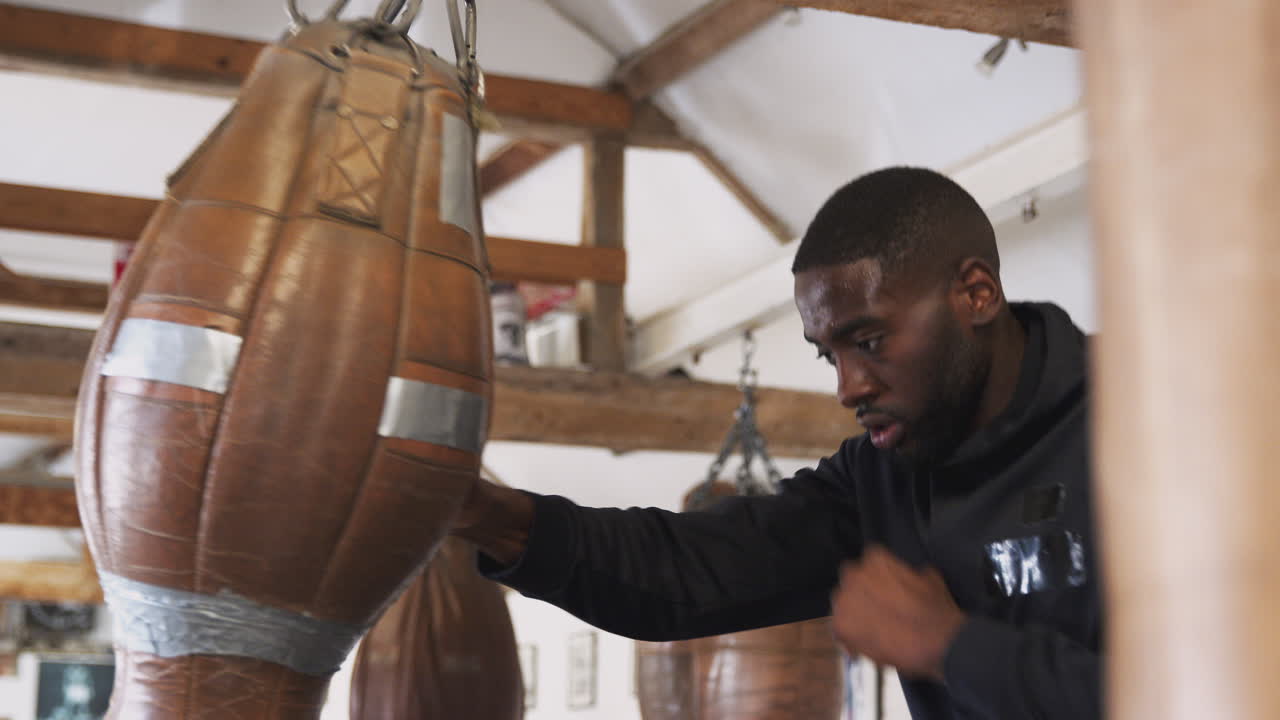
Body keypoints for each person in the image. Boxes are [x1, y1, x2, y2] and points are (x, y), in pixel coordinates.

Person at [451, 167, 1100, 719]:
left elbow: (1194, 690)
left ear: (976, 294)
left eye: (870, 342)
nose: (848, 389)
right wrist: (480, 511)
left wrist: (950, 645)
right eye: (829, 357)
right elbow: (689, 571)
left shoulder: (1144, 423)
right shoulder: (884, 476)